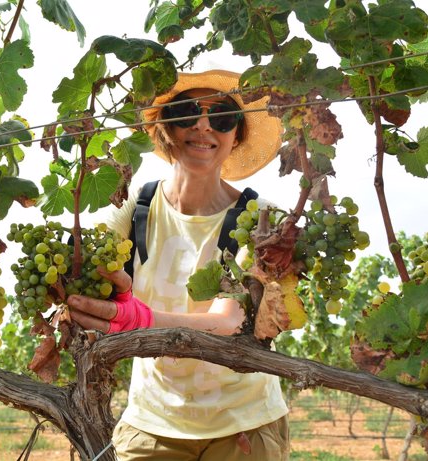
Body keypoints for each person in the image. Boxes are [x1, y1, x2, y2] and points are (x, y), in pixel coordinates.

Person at [67, 69, 289, 460]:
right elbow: (90, 262)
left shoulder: (261, 217)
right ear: (165, 129)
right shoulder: (135, 208)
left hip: (245, 426)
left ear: (235, 135)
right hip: (152, 424)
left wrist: (140, 320)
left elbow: (228, 322)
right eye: (187, 112)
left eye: (221, 117)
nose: (203, 126)